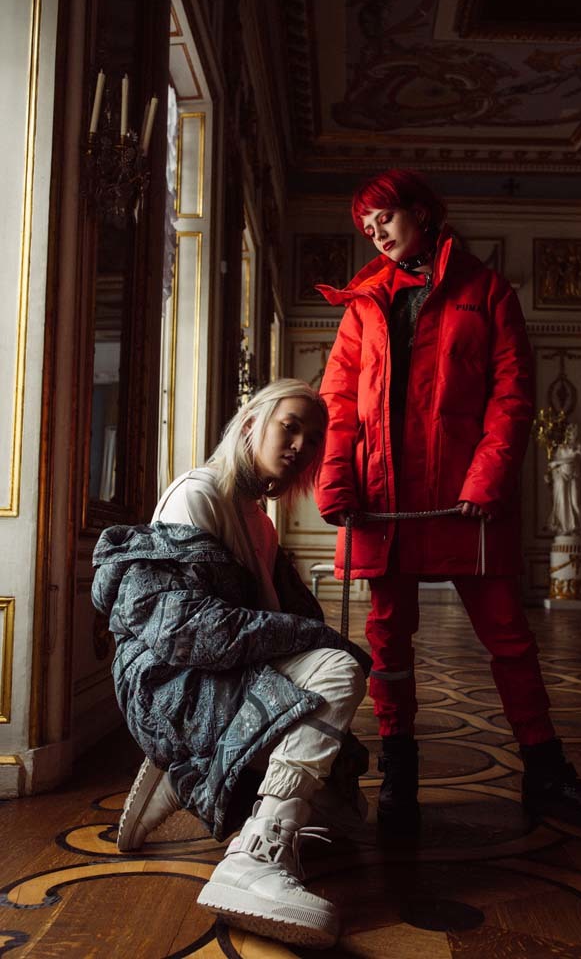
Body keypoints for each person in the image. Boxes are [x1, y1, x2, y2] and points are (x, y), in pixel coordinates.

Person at [314, 169, 581, 838]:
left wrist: (485, 482)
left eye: (385, 217)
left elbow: (512, 397)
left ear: (421, 211)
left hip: (465, 505)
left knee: (509, 637)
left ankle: (545, 772)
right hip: (382, 502)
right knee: (387, 640)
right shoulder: (361, 306)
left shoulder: (488, 293)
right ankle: (399, 773)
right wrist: (335, 478)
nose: (376, 234)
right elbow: (337, 403)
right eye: (366, 227)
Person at [91, 378, 371, 951]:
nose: (301, 445)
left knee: (344, 814)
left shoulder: (260, 523)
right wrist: (321, 638)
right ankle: (254, 856)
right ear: (250, 424)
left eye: (312, 439)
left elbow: (276, 624)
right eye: (290, 426)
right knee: (338, 673)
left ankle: (181, 776)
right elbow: (185, 632)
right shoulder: (198, 493)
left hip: (219, 675)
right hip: (167, 684)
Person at [548, 423, 581, 535]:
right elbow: (552, 466)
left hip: (574, 476)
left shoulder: (579, 447)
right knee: (563, 501)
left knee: (576, 501)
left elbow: (574, 458)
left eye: (575, 433)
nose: (574, 435)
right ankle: (565, 528)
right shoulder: (561, 448)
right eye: (572, 433)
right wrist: (554, 466)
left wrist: (557, 463)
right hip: (562, 476)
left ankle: (579, 528)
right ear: (568, 434)